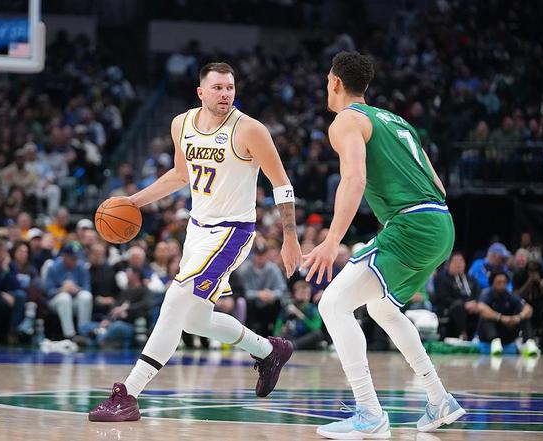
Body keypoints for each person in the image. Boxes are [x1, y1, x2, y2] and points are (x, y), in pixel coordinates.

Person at [89, 62, 302, 422]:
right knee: (194, 320)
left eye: (230, 88)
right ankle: (269, 351)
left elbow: (282, 184)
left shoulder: (250, 129)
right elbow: (180, 174)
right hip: (197, 230)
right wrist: (132, 203)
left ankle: (129, 394)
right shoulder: (182, 123)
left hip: (232, 232)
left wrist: (290, 236)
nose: (225, 94)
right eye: (217, 88)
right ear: (201, 92)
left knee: (174, 300)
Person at [301, 52, 465, 439]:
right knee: (382, 309)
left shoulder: (346, 120)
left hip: (412, 225)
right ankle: (439, 399)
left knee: (332, 304)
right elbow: (439, 185)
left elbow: (354, 179)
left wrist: (331, 241)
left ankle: (369, 413)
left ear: (335, 82)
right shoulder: (396, 120)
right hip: (441, 223)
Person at [477, 271, 536, 356]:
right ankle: (495, 344)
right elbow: (481, 308)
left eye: (504, 282)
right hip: (489, 333)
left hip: (507, 330)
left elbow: (529, 309)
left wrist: (519, 317)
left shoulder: (510, 295)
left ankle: (529, 343)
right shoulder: (487, 294)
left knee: (525, 318)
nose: (502, 285)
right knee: (486, 317)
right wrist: (500, 318)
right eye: (499, 282)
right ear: (492, 283)